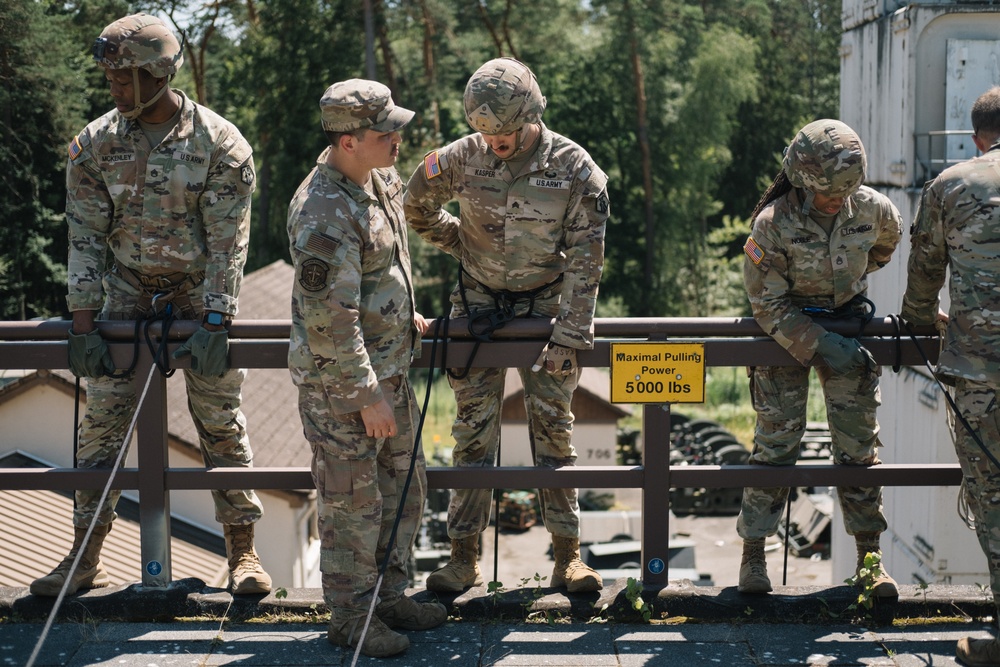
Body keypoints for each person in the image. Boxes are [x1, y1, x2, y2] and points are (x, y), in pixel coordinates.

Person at [31, 13, 270, 598]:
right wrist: (84, 323)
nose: (113, 88)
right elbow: (85, 238)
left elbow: (227, 242)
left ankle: (244, 552)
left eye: (123, 77)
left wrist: (216, 319)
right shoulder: (94, 144)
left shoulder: (221, 143)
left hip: (196, 296)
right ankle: (85, 556)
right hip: (126, 296)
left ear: (158, 74)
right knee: (101, 426)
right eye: (110, 77)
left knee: (220, 420)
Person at [404, 57, 610, 594]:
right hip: (476, 307)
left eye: (506, 131)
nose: (494, 141)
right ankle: (463, 557)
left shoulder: (573, 167)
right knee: (473, 434)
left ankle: (568, 558)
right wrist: (460, 242)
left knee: (554, 430)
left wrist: (570, 333)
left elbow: (588, 256)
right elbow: (415, 204)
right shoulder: (460, 157)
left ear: (532, 115)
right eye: (485, 131)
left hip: (545, 309)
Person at [287, 79, 447, 659]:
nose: (398, 138)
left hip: (391, 372)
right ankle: (352, 619)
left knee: (404, 492)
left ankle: (390, 596)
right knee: (353, 505)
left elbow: (381, 272)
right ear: (348, 140)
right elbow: (329, 316)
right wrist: (365, 395)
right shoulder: (323, 212)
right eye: (386, 132)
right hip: (346, 390)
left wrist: (404, 314)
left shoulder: (377, 180)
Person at [737, 119, 902, 597]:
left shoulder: (874, 209)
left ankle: (870, 561)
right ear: (802, 181)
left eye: (845, 192)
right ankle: (753, 556)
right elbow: (766, 303)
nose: (837, 202)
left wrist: (843, 315)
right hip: (784, 334)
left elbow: (884, 248)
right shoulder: (771, 224)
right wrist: (821, 342)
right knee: (775, 446)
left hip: (849, 327)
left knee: (858, 449)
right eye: (828, 195)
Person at [901, 87, 1000, 666]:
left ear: (975, 138)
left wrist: (919, 325)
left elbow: (923, 275)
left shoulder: (951, 185)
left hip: (980, 376)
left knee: (991, 499)